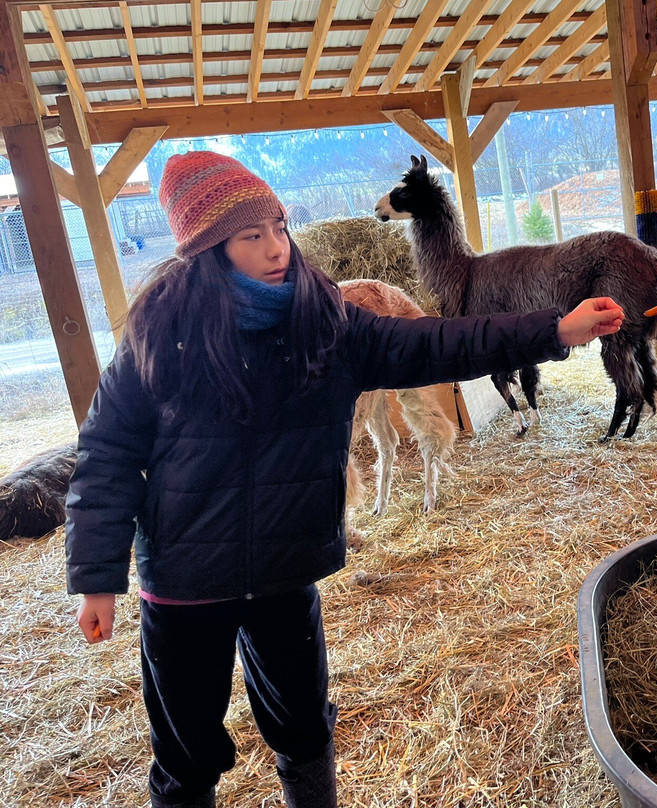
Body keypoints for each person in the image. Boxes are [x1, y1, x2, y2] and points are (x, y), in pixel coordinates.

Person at [64, 150, 624, 808]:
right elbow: (106, 452)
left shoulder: (324, 322)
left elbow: (435, 344)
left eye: (279, 227)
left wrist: (553, 330)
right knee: (186, 753)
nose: (276, 247)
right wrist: (96, 577)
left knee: (304, 731)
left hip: (284, 571)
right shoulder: (162, 333)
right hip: (185, 582)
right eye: (251, 236)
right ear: (209, 250)